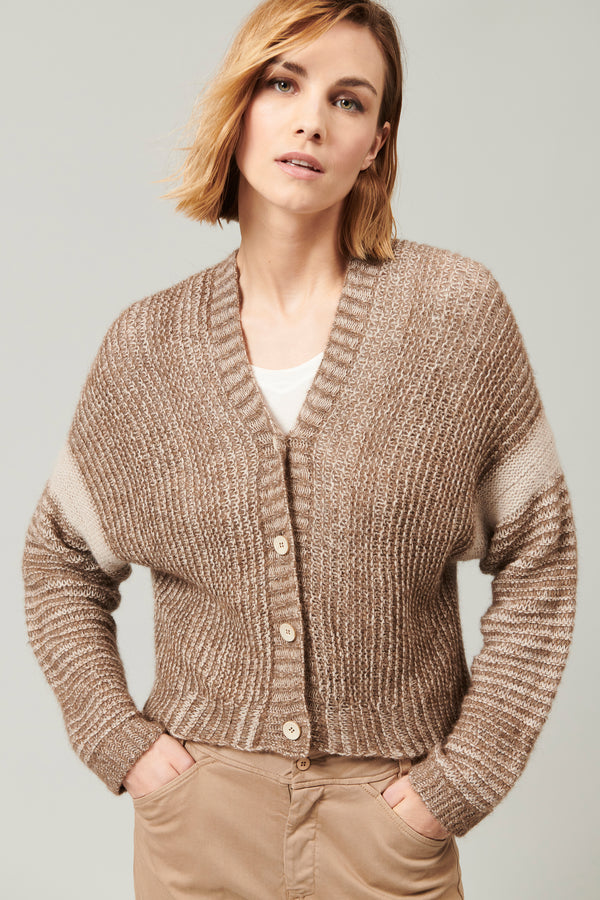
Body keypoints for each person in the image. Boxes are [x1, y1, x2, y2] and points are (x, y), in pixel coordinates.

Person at [21, 1, 577, 898]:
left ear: (376, 146)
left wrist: (459, 782)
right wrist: (121, 745)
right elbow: (60, 561)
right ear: (241, 105)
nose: (312, 120)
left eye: (349, 100)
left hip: (388, 823)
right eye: (284, 84)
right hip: (200, 824)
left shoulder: (454, 315)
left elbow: (541, 560)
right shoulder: (147, 346)